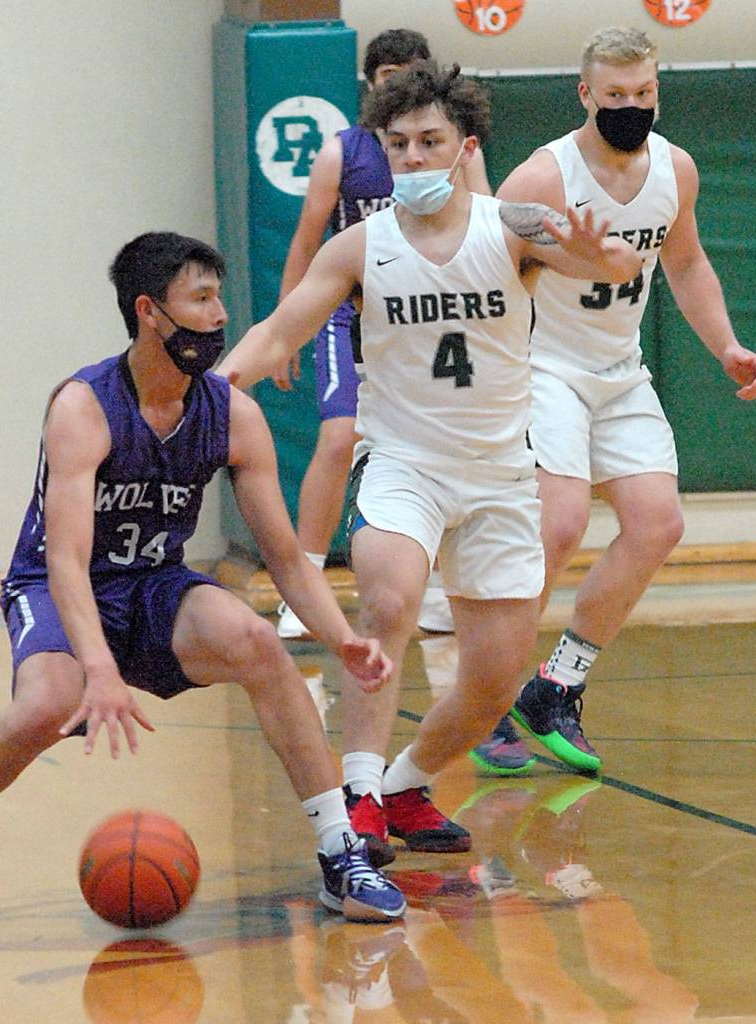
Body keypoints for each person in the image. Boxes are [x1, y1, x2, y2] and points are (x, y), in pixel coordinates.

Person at [0, 231, 407, 933]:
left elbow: (289, 559)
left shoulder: (233, 414)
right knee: (43, 708)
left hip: (153, 584)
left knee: (257, 644)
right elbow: (63, 561)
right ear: (149, 311)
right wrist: (97, 669)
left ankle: (340, 853)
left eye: (218, 298)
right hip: (59, 585)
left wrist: (342, 637)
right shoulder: (84, 406)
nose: (218, 317)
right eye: (200, 299)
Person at [219, 61, 642, 866]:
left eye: (429, 142)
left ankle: (408, 784)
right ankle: (358, 797)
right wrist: (211, 389)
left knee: (490, 682)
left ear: (463, 147)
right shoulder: (358, 245)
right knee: (388, 601)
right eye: (398, 143)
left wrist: (604, 252)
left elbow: (610, 264)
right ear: (382, 149)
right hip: (403, 463)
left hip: (498, 474)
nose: (413, 157)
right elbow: (279, 333)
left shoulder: (513, 224)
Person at [471, 26, 756, 776]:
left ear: (656, 90)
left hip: (618, 369)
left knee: (658, 523)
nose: (630, 106)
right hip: (543, 365)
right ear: (584, 94)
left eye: (642, 94)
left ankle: (556, 685)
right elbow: (484, 264)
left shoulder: (676, 169)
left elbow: (688, 261)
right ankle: (488, 697)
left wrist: (725, 345)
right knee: (560, 522)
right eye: (615, 96)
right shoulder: (542, 176)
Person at [272, 28, 491, 641]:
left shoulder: (457, 153)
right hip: (352, 315)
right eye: (384, 73)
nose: (395, 83)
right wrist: (289, 328)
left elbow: (488, 228)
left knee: (446, 441)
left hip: (428, 311)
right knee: (340, 438)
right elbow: (306, 241)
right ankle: (304, 589)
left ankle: (443, 591)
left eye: (407, 71)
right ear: (370, 84)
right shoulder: (341, 152)